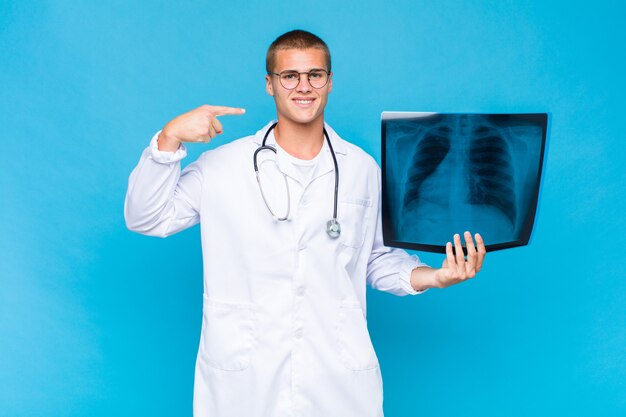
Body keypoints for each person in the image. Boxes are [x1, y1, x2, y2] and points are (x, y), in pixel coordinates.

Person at [125, 29, 486, 417]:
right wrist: (169, 138)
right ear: (270, 84)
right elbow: (147, 217)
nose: (304, 86)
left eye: (315, 74)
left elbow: (376, 259)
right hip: (245, 381)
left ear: (329, 82)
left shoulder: (361, 168)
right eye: (290, 76)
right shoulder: (223, 166)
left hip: (337, 380)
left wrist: (435, 276)